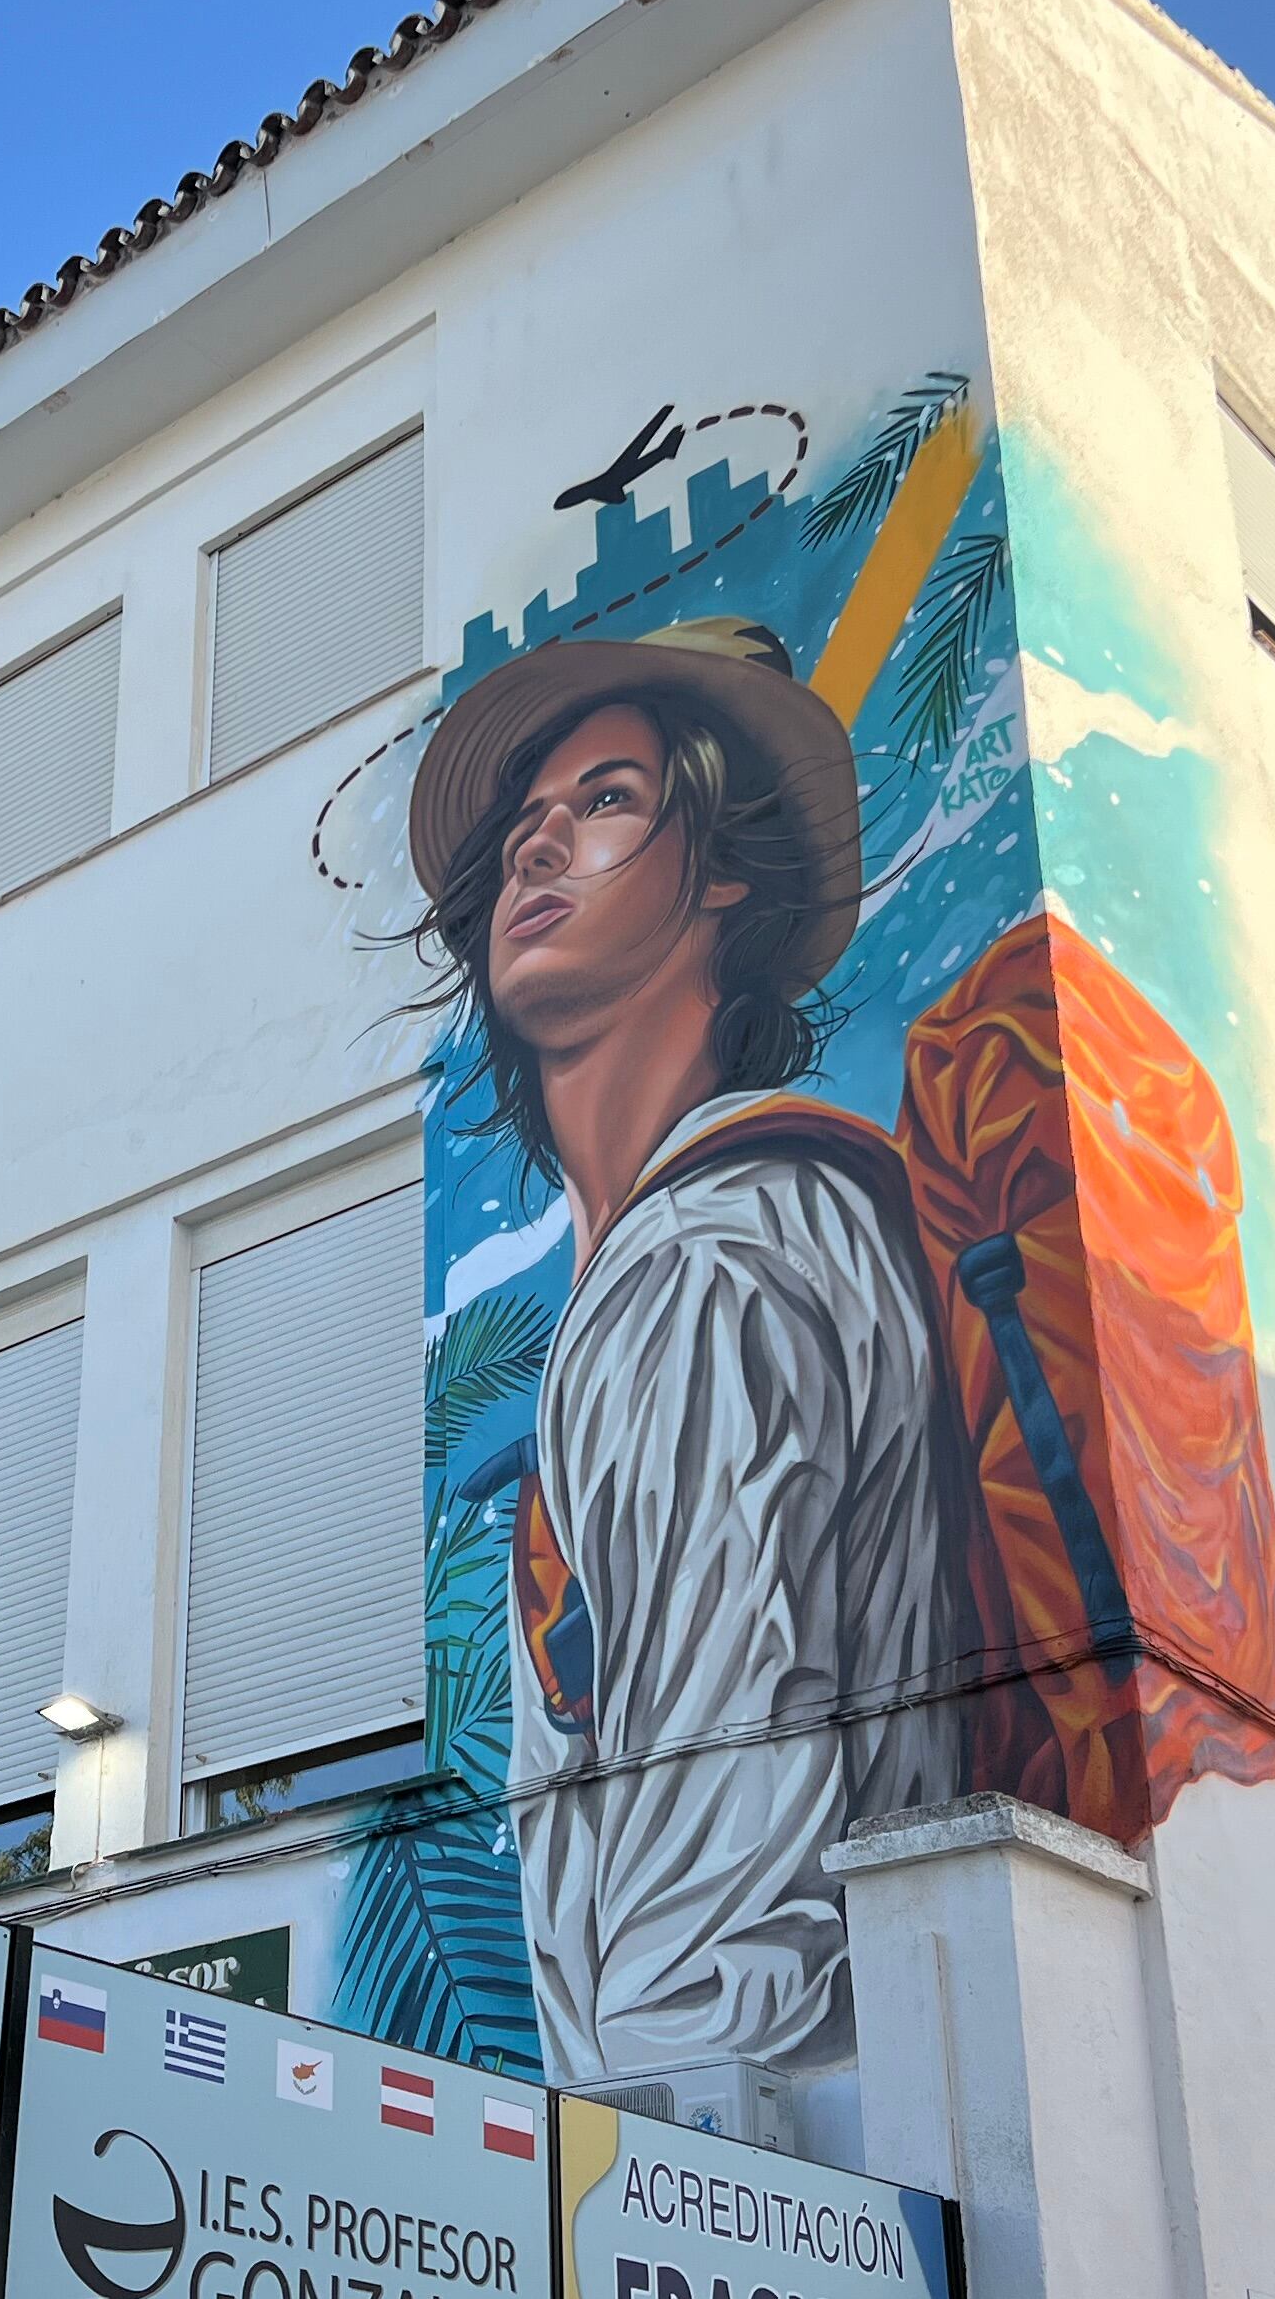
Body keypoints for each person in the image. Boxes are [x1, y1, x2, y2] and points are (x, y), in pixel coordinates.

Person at [406, 618, 963, 2086]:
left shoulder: (707, 1271)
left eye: (603, 804)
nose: (537, 851)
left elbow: (715, 1911)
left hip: (741, 2157)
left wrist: (648, 2204)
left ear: (723, 871)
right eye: (525, 826)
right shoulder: (677, 1254)